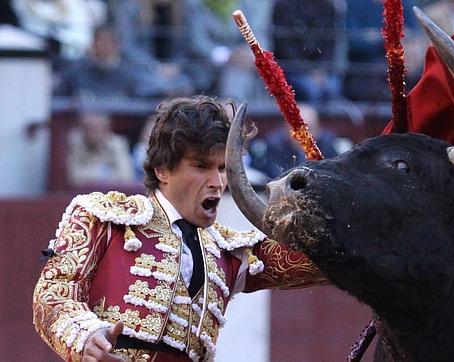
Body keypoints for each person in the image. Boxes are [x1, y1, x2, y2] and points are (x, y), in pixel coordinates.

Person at [33, 96, 326, 361]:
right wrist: (86, 336)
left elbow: (319, 260)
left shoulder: (229, 252)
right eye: (201, 166)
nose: (217, 181)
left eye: (222, 168)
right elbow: (54, 294)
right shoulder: (105, 219)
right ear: (162, 169)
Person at [250, 104, 352, 178]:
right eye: (296, 129)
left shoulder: (328, 144)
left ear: (318, 129)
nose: (302, 136)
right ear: (286, 129)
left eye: (308, 129)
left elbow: (333, 175)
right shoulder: (274, 144)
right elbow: (274, 175)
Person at [66, 112, 135, 187]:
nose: (93, 132)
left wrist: (89, 173)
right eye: (89, 128)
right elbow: (73, 177)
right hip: (83, 193)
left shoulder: (117, 144)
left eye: (97, 128)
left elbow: (126, 177)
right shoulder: (76, 142)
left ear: (107, 130)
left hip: (110, 192)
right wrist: (103, 172)